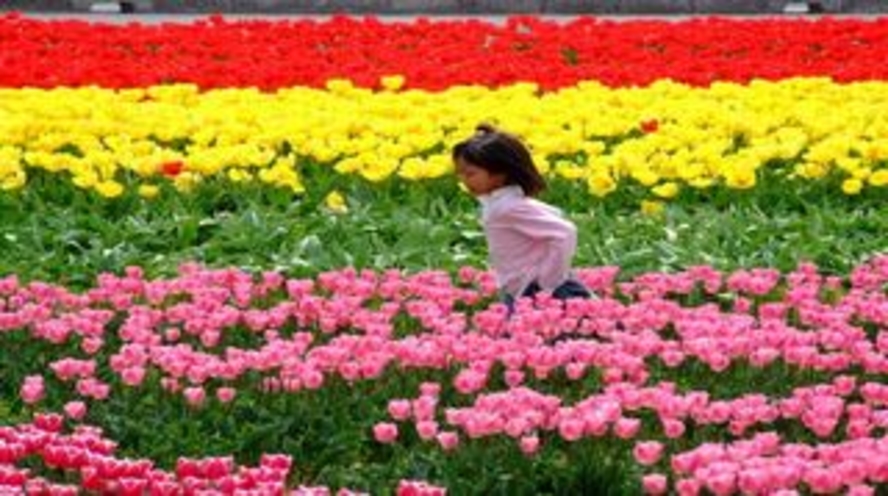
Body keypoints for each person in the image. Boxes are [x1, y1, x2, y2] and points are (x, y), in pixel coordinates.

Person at [452, 123, 592, 312]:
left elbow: (564, 232)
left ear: (500, 173)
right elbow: (555, 217)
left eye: (470, 174)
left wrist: (548, 281)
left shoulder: (507, 208)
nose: (464, 180)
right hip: (521, 288)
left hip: (535, 291)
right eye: (460, 174)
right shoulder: (506, 203)